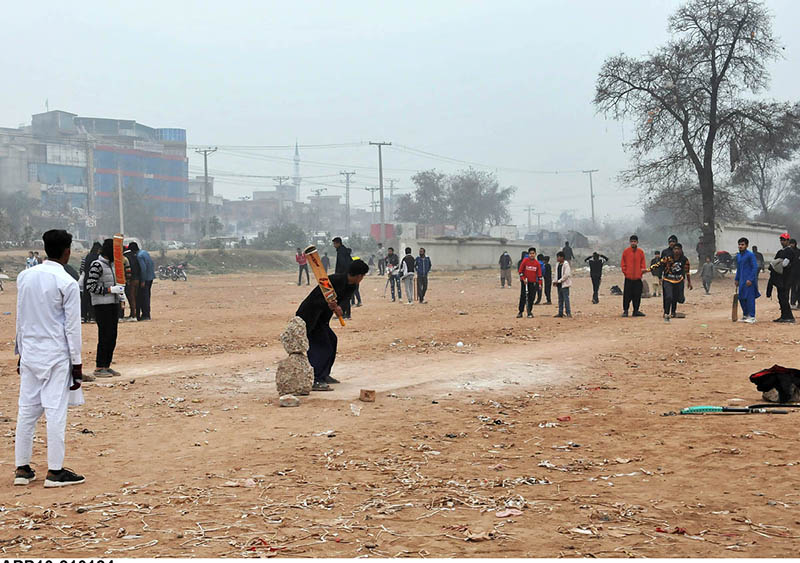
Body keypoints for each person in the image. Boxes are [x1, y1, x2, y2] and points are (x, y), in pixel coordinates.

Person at [14, 229, 86, 488]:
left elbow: (20, 318)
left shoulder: (24, 277)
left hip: (31, 353)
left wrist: (19, 352)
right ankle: (55, 471)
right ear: (67, 251)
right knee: (55, 411)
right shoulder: (66, 282)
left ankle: (22, 469)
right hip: (56, 354)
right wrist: (76, 364)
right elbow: (72, 328)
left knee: (27, 410)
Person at [296, 259, 369, 391]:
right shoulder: (331, 281)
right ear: (359, 275)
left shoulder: (352, 286)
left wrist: (340, 307)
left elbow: (345, 300)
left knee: (332, 340)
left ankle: (324, 374)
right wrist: (327, 304)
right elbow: (315, 300)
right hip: (310, 317)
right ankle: (315, 378)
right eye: (363, 276)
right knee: (322, 346)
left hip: (322, 319)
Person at [86, 239, 125, 377]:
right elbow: (90, 286)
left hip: (112, 303)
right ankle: (99, 367)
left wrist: (120, 294)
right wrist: (109, 289)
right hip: (101, 305)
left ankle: (107, 365)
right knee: (104, 336)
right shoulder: (97, 265)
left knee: (112, 336)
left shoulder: (114, 265)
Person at [651, 242, 692, 322]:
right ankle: (666, 313)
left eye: (678, 249)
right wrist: (649, 270)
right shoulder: (667, 257)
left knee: (678, 298)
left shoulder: (684, 259)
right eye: (675, 249)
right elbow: (659, 265)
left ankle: (673, 311)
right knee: (669, 296)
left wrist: (689, 282)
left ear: (681, 250)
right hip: (667, 279)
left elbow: (687, 271)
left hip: (678, 280)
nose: (676, 251)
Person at [766, 233, 795, 323]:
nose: (783, 241)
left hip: (787, 278)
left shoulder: (789, 251)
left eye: (784, 240)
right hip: (780, 278)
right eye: (781, 240)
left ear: (788, 241)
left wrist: (778, 264)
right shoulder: (780, 251)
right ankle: (784, 316)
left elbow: (784, 264)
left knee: (784, 297)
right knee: (781, 297)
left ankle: (789, 316)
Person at [734, 237, 760, 323]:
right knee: (741, 297)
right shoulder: (738, 256)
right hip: (741, 280)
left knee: (750, 298)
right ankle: (745, 315)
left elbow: (754, 267)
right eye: (739, 244)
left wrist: (751, 279)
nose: (740, 246)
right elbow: (738, 268)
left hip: (749, 281)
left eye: (742, 245)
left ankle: (752, 316)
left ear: (747, 245)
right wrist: (736, 279)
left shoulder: (750, 255)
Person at [620, 235, 647, 317]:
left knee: (637, 295)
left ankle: (636, 311)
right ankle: (625, 311)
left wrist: (641, 272)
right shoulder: (626, 252)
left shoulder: (641, 252)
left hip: (638, 278)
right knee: (627, 295)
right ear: (630, 242)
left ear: (637, 242)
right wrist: (626, 272)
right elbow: (623, 264)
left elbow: (643, 264)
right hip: (628, 278)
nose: (633, 243)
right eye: (632, 241)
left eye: (634, 241)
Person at [517, 248, 543, 318]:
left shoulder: (537, 263)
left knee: (531, 297)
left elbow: (539, 275)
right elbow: (520, 271)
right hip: (525, 282)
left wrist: (540, 283)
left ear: (535, 254)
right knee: (523, 297)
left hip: (533, 283)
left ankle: (529, 311)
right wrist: (523, 279)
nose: (532, 255)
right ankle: (520, 312)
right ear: (528, 254)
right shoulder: (525, 261)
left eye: (533, 253)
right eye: (530, 253)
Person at [79, 242, 101, 323]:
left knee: (85, 298)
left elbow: (82, 269)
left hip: (86, 279)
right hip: (95, 280)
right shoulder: (98, 258)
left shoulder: (87, 257)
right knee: (93, 298)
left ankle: (83, 316)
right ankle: (92, 317)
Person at [132, 242, 154, 321]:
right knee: (147, 296)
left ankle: (146, 315)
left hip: (145, 279)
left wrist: (142, 280)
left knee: (144, 297)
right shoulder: (144, 252)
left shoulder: (139, 256)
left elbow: (143, 268)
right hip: (150, 277)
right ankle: (147, 313)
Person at [123, 243, 140, 320]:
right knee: (135, 297)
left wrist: (128, 280)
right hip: (137, 279)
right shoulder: (135, 256)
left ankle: (133, 315)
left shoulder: (125, 257)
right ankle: (135, 314)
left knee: (131, 297)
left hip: (131, 280)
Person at [553, 251, 572, 318]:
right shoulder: (557, 264)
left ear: (562, 257)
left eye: (558, 257)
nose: (557, 258)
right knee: (560, 299)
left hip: (564, 284)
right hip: (559, 284)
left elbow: (566, 275)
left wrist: (560, 281)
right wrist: (555, 281)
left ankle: (568, 313)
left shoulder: (566, 264)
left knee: (566, 299)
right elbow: (556, 274)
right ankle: (560, 313)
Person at [790, 239, 800, 309]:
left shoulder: (798, 251)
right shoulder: (788, 251)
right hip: (791, 274)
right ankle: (792, 303)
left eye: (792, 243)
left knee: (798, 288)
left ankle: (799, 303)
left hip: (798, 273)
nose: (791, 245)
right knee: (793, 288)